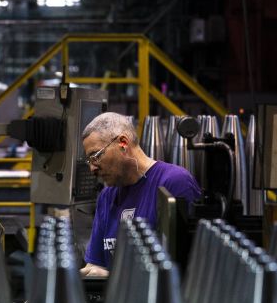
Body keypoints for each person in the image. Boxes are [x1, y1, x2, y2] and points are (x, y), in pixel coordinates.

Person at [79, 113, 200, 277]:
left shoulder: (174, 183)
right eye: (89, 161)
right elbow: (95, 264)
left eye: (96, 156)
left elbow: (183, 272)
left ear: (123, 143)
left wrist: (111, 278)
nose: (92, 169)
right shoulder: (107, 196)